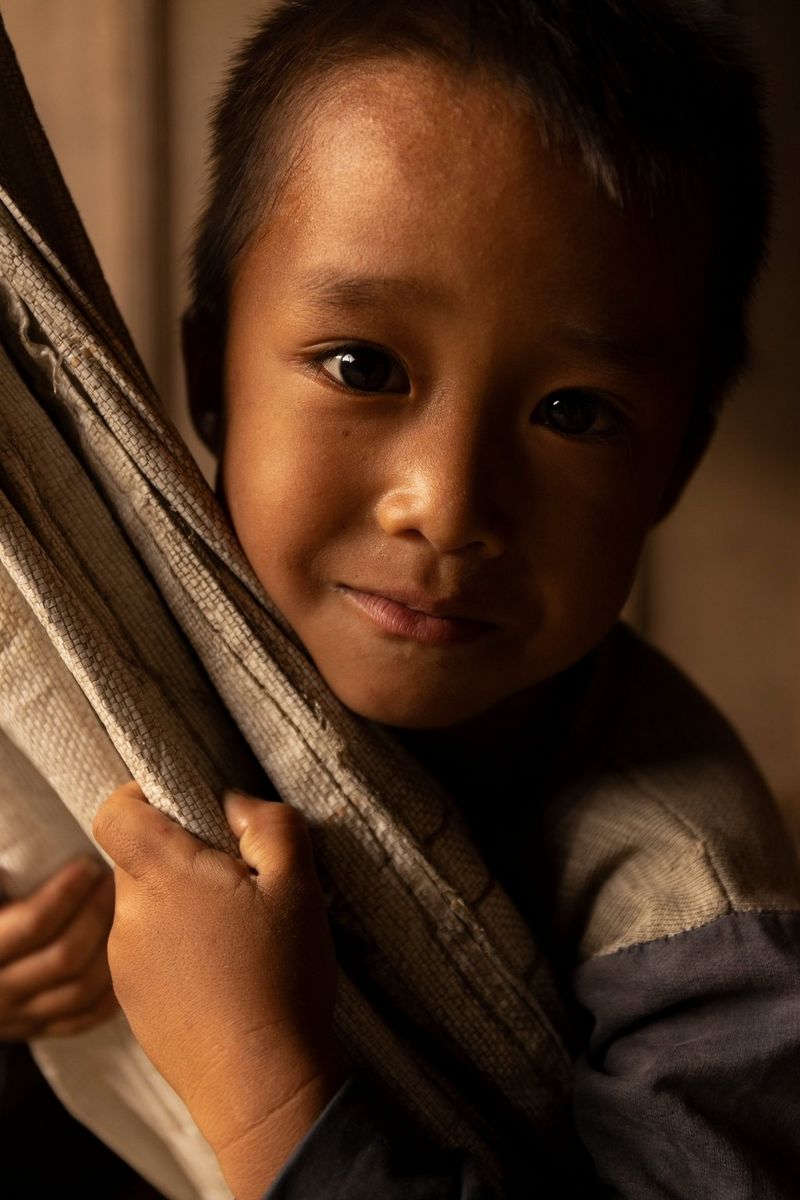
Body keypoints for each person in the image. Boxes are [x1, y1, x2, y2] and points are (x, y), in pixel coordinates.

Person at [82, 1, 800, 1197]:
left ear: (667, 469)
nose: (446, 502)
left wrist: (267, 1091)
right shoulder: (125, 672)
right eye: (363, 366)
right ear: (210, 380)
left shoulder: (696, 920)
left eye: (572, 412)